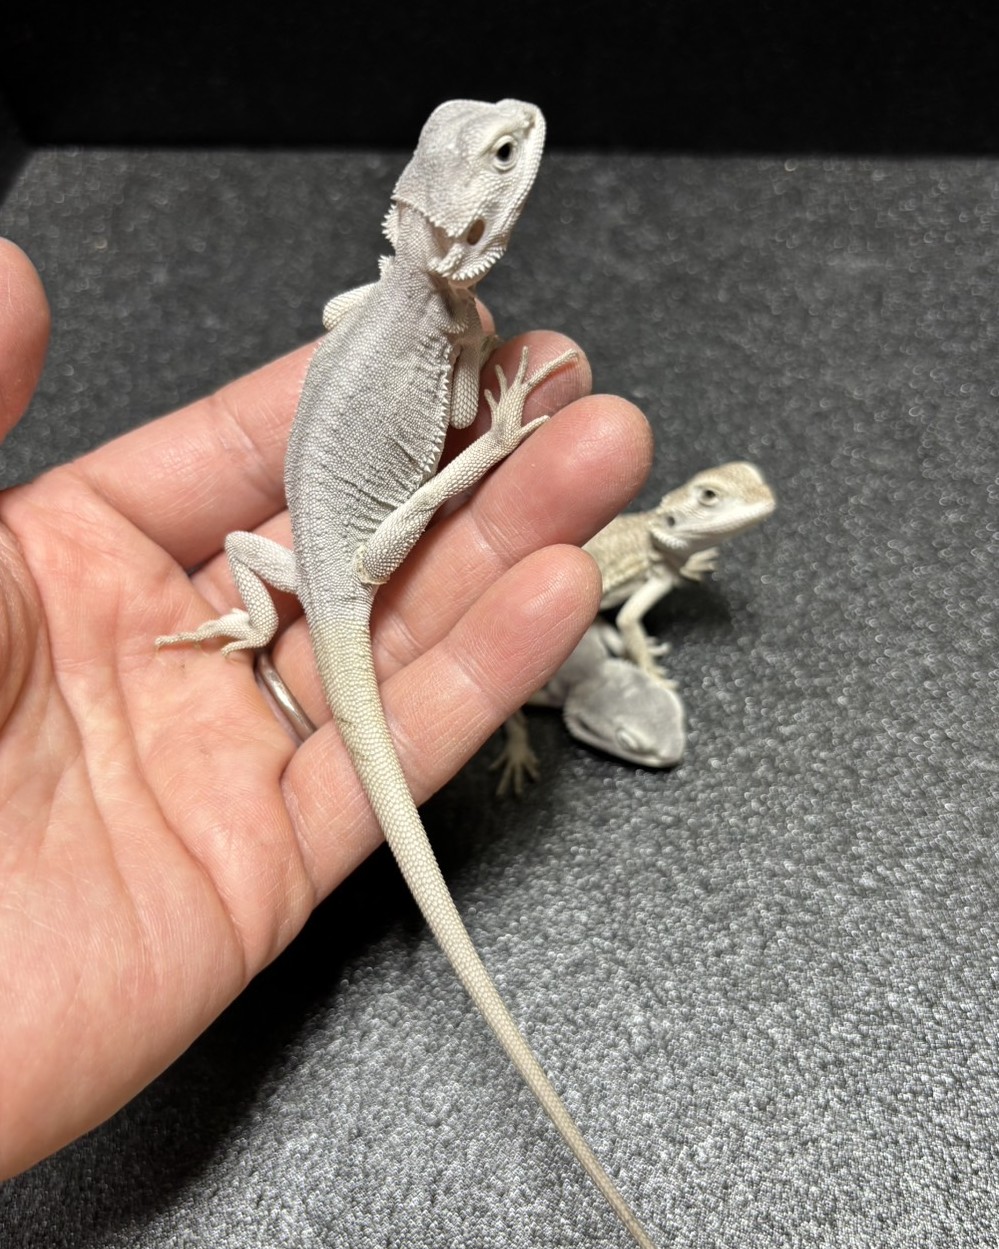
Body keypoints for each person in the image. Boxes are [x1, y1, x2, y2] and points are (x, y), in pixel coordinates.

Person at [0, 237, 652, 1180]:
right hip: (345, 564)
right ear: (462, 229)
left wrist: (258, 619)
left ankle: (250, 621)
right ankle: (500, 450)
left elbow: (339, 317)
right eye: (499, 166)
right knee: (435, 493)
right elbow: (453, 409)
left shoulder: (396, 302)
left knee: (252, 540)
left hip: (297, 569)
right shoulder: (434, 320)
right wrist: (491, 426)